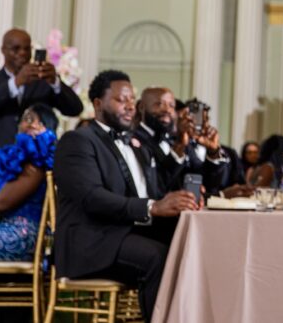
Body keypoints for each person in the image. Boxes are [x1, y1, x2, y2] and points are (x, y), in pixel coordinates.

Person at [53, 70, 199, 321]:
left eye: (132, 99)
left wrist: (181, 200)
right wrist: (152, 207)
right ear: (98, 104)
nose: (130, 106)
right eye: (122, 100)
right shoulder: (77, 141)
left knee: (190, 247)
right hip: (92, 241)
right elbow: (92, 197)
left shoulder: (135, 144)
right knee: (157, 257)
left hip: (126, 232)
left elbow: (153, 193)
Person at [0, 29, 83, 163]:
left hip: (35, 163)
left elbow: (75, 109)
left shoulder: (44, 83)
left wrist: (56, 82)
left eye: (27, 48)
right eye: (16, 49)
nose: (22, 53)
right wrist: (16, 83)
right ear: (3, 50)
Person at [0, 104, 58, 260]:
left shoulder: (36, 162)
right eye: (26, 119)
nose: (31, 124)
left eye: (39, 121)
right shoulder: (15, 158)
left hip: (23, 233)